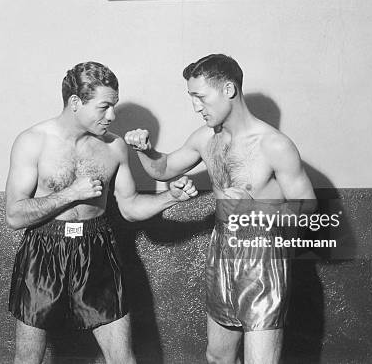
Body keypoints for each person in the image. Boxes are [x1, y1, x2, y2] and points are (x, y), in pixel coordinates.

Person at [124, 54, 316, 364]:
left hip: (262, 253)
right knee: (217, 357)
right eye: (192, 98)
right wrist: (144, 152)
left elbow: (309, 211)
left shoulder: (274, 145)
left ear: (228, 89)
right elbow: (164, 169)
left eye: (200, 97)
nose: (196, 107)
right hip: (222, 247)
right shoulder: (205, 139)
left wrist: (254, 210)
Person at [5, 61, 198, 364]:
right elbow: (14, 216)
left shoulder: (114, 148)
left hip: (96, 247)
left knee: (123, 359)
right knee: (27, 360)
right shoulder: (33, 142)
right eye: (104, 106)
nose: (112, 116)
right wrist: (71, 193)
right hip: (43, 250)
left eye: (114, 106)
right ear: (75, 103)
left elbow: (131, 207)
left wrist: (170, 198)